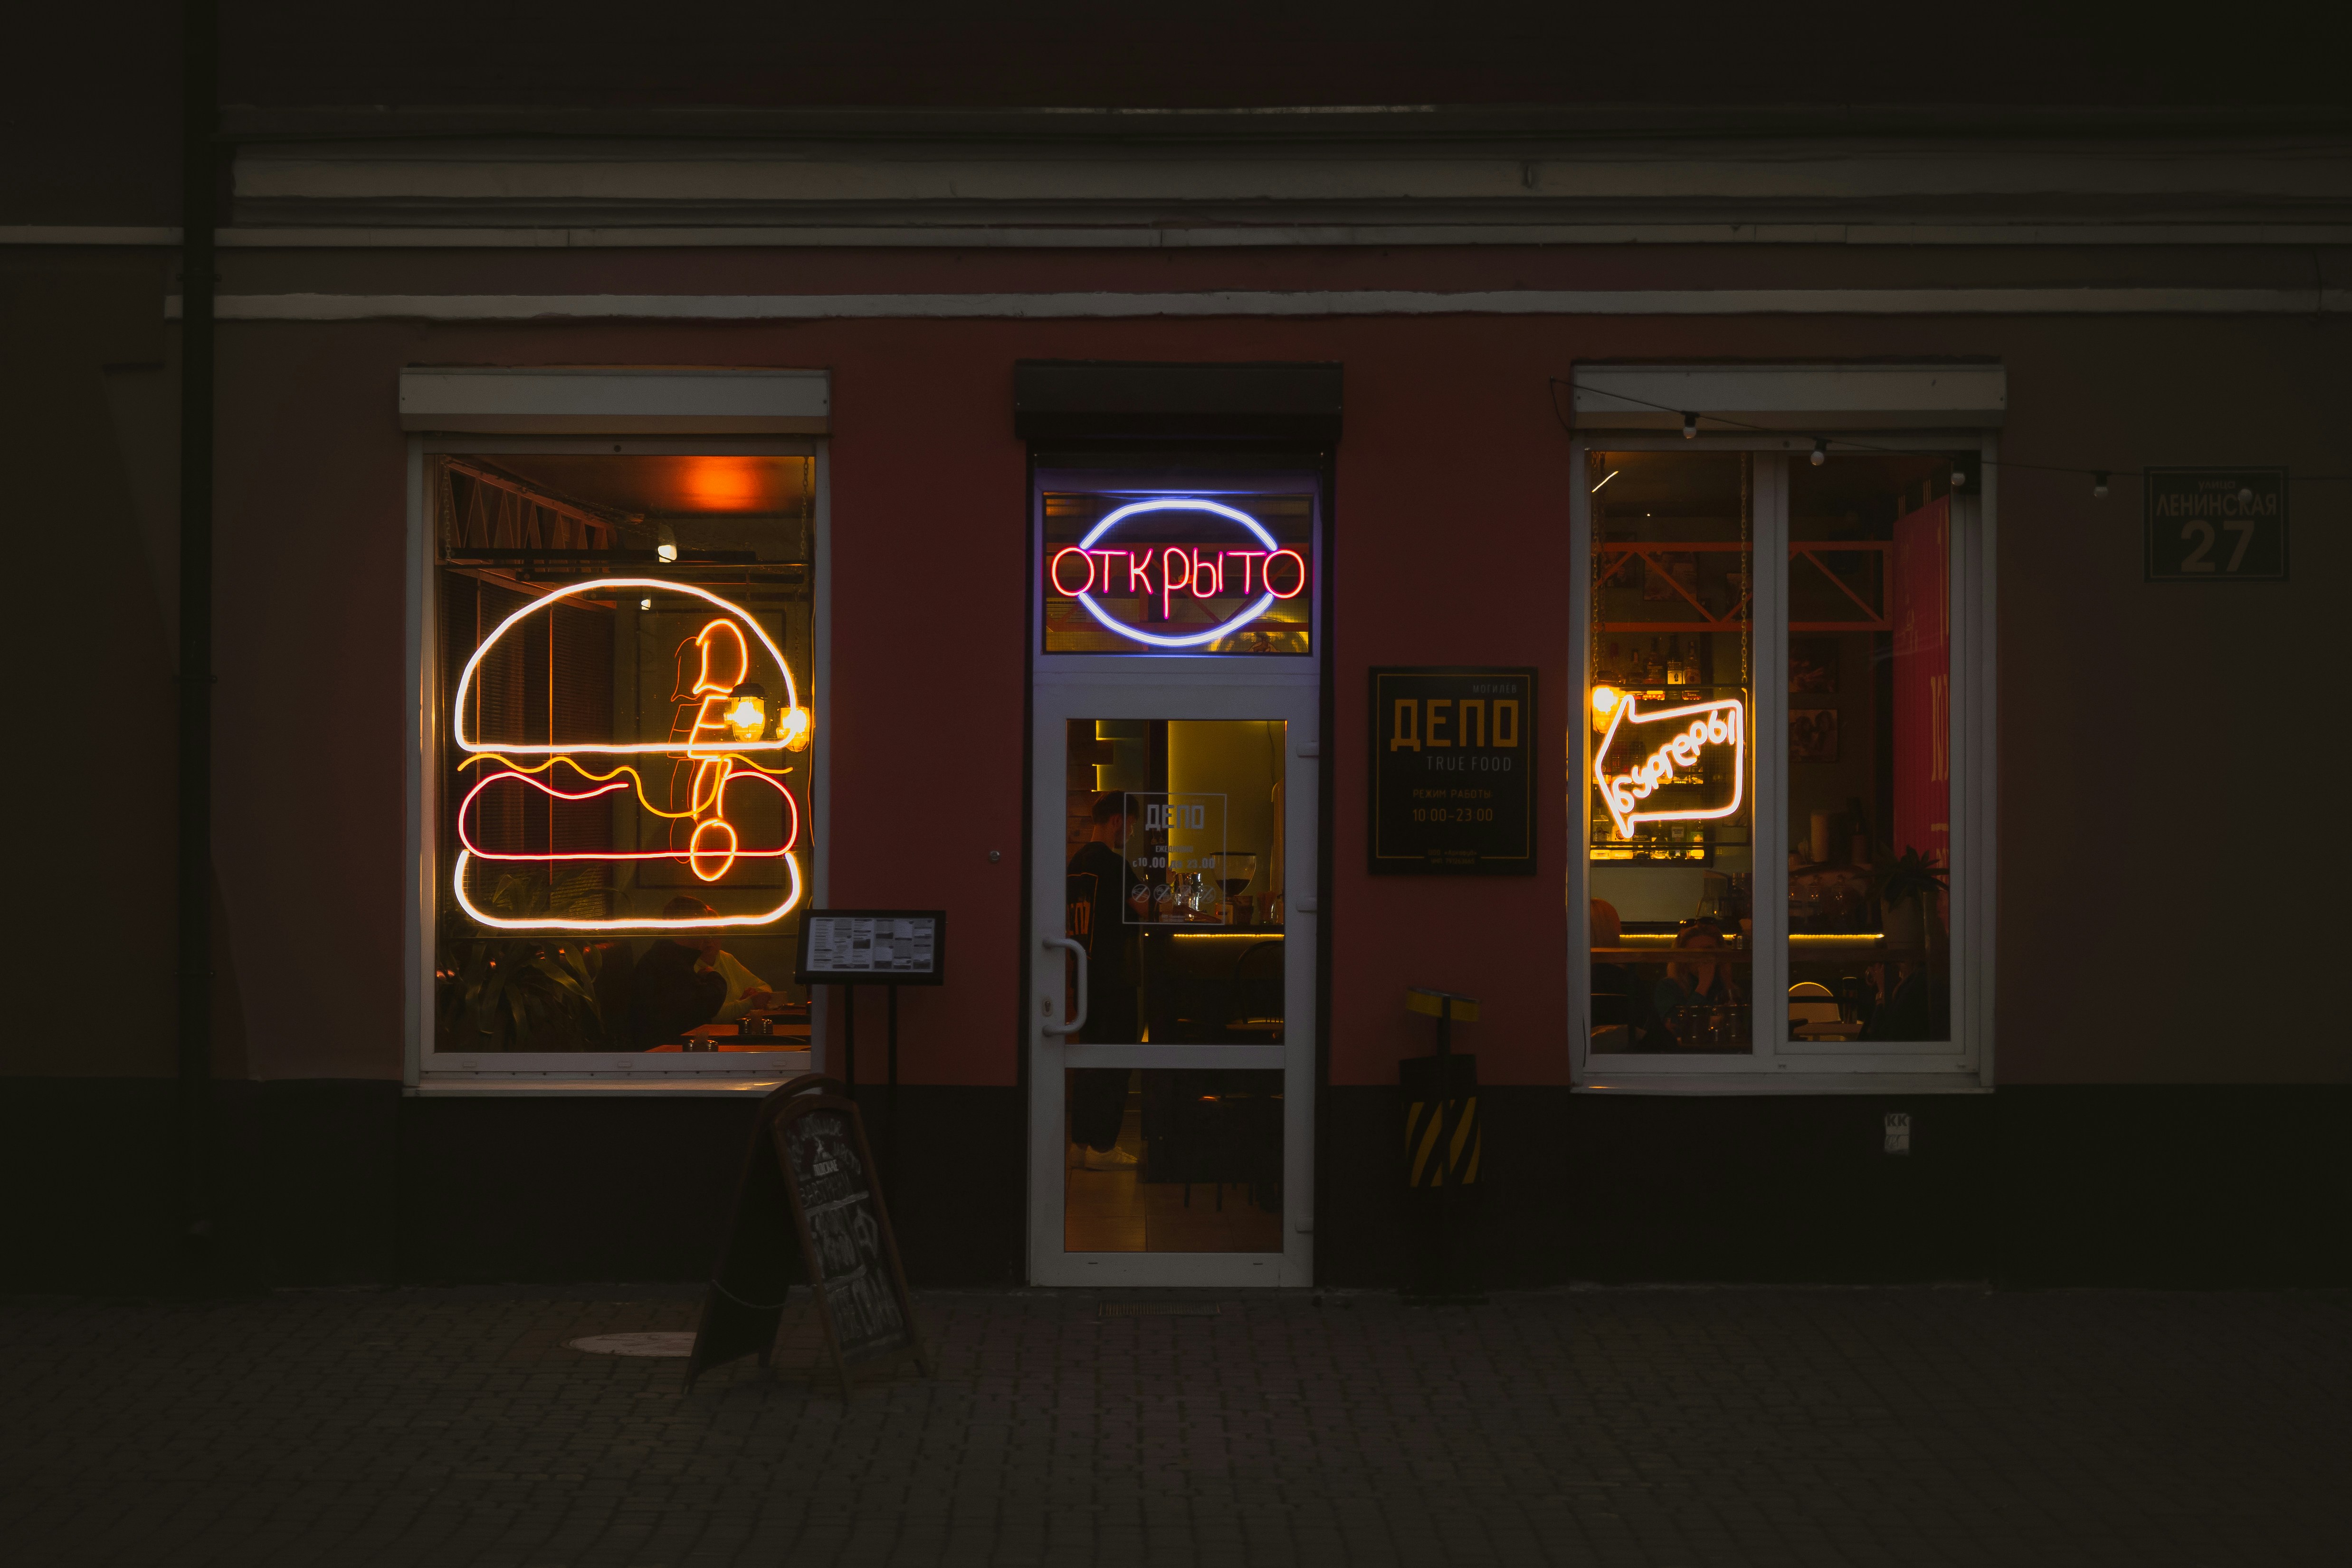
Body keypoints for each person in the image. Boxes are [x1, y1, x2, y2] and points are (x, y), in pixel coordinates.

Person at [1065, 793, 1142, 1169]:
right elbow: (1147, 906)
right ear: (1117, 821)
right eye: (1130, 824)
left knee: (1087, 1062)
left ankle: (1080, 1144)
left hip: (1084, 977)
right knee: (1115, 1063)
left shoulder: (1075, 863)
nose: (1130, 831)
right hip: (1115, 980)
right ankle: (1104, 1148)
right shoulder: (1116, 866)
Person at [627, 896, 778, 1048]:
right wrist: (713, 976)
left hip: (673, 1050)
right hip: (667, 1054)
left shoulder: (670, 956)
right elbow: (706, 1006)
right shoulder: (669, 962)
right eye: (704, 927)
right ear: (690, 928)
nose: (707, 936)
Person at [1652, 919, 1741, 1044]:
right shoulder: (1669, 987)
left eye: (1709, 951)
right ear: (1684, 960)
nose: (1704, 959)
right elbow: (1678, 1028)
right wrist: (1703, 986)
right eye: (1696, 954)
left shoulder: (1724, 985)